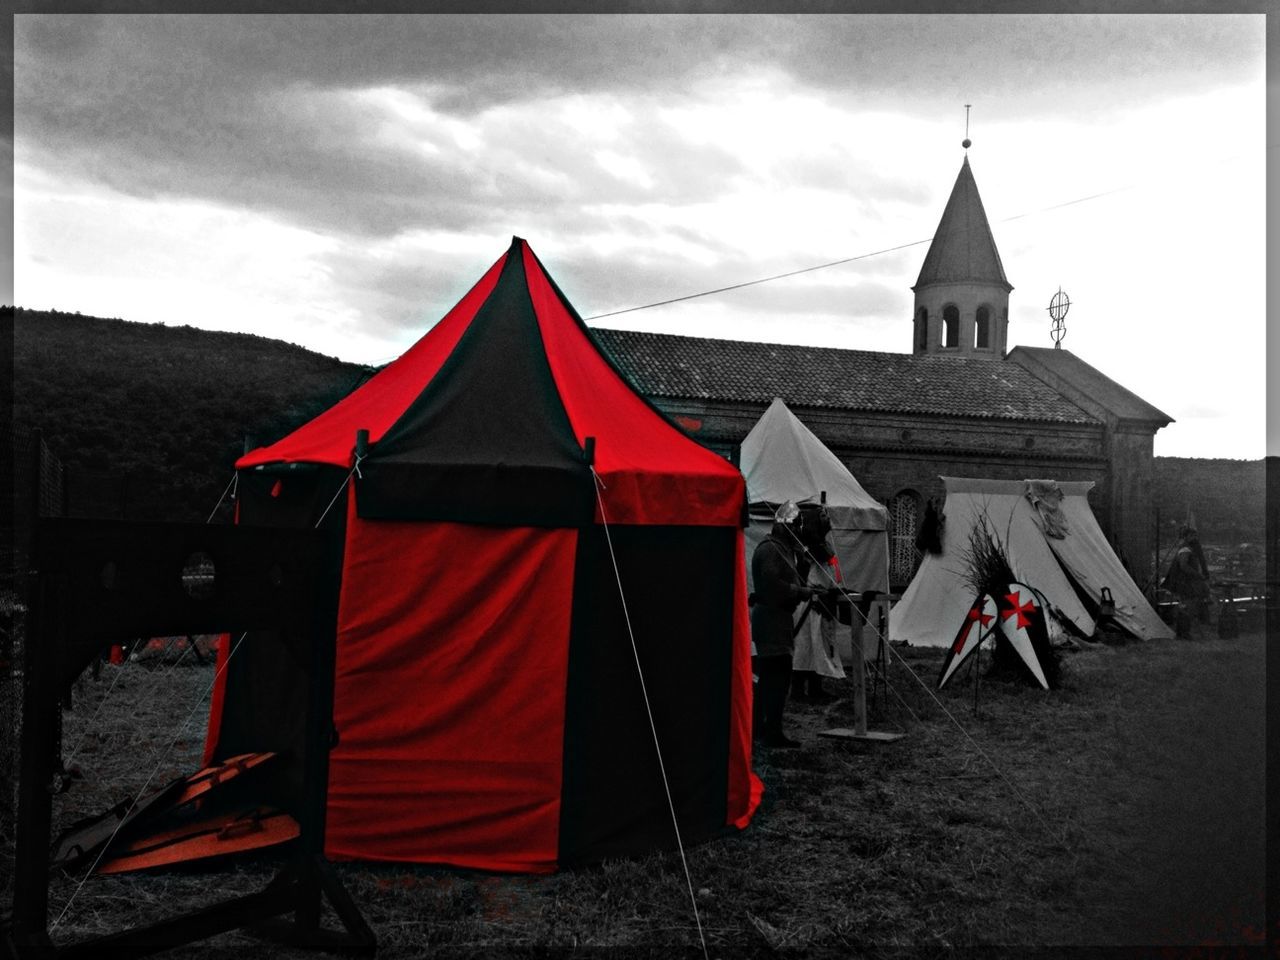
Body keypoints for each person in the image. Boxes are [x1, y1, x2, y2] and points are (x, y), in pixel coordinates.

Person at [751, 501, 823, 748]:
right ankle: (769, 731)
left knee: (773, 677)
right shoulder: (772, 549)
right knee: (775, 678)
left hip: (777, 617)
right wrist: (799, 591)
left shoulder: (782, 549)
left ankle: (764, 729)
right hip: (771, 617)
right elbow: (772, 586)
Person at [1164, 526, 1210, 639]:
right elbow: (1183, 566)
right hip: (1183, 582)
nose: (1194, 538)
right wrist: (1197, 574)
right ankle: (1184, 632)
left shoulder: (1188, 548)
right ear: (1186, 536)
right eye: (1192, 536)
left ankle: (1183, 632)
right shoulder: (1185, 549)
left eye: (1195, 536)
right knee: (1187, 606)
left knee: (1186, 606)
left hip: (1185, 581)